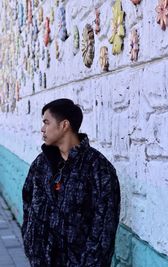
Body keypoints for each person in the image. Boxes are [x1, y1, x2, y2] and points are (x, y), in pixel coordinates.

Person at [21, 98, 120, 267]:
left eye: (46, 122)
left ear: (64, 125)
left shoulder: (98, 168)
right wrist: (31, 243)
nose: (42, 129)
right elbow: (28, 203)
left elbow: (105, 227)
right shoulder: (40, 164)